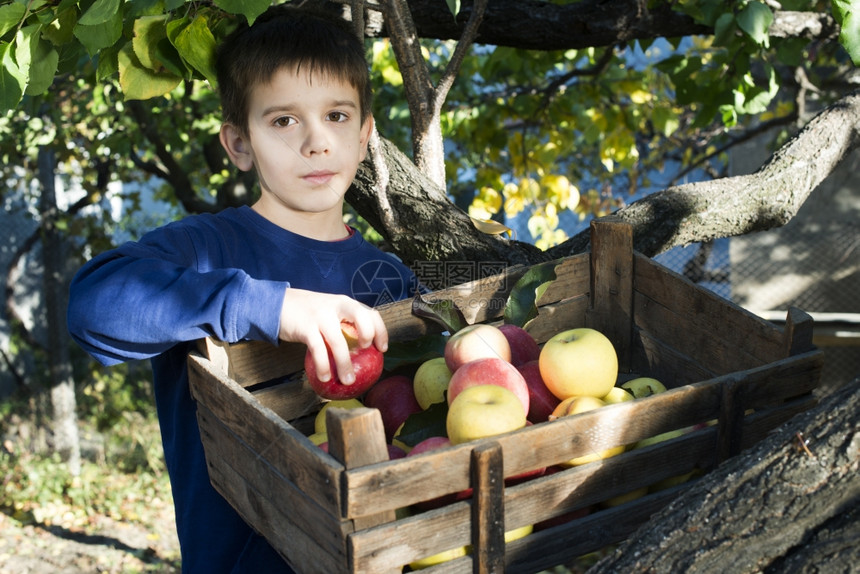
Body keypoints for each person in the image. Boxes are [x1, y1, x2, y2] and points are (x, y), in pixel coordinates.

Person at [67, 6, 420, 572]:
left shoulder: (390, 279)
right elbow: (93, 304)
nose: (315, 142)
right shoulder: (209, 248)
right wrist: (273, 306)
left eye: (336, 115)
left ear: (364, 134)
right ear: (238, 142)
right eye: (283, 120)